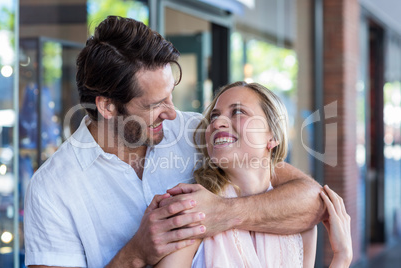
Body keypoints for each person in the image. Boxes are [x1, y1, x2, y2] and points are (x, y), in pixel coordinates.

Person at [24, 16, 325, 268]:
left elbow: (308, 198)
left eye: (171, 95)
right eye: (156, 104)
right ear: (107, 107)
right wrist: (136, 254)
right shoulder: (52, 189)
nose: (172, 113)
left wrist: (221, 212)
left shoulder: (198, 132)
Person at [156, 82, 352, 267]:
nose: (217, 123)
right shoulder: (193, 212)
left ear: (273, 136)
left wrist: (341, 258)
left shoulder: (299, 222)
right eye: (214, 116)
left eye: (238, 112)